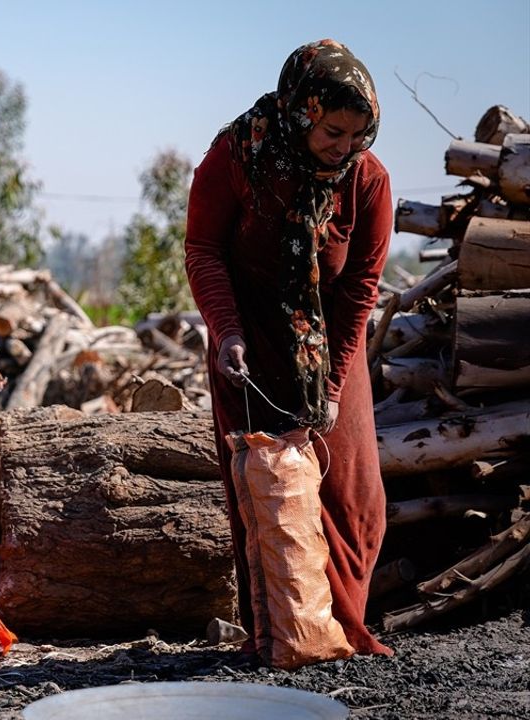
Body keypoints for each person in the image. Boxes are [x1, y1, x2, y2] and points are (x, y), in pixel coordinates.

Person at [184, 39, 393, 657]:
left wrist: (332, 386)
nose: (344, 147)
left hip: (330, 343)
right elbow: (204, 250)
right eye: (332, 131)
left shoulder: (368, 181)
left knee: (354, 500)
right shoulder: (238, 155)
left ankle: (340, 631)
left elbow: (360, 287)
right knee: (263, 491)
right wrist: (228, 332)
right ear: (301, 112)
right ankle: (278, 635)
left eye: (357, 135)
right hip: (247, 343)